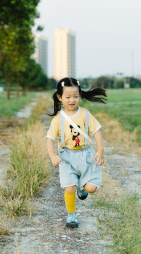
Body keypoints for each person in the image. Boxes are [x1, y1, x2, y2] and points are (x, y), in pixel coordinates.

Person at [46, 77, 107, 228]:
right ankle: (71, 215)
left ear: (80, 95)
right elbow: (50, 139)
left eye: (76, 96)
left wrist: (100, 151)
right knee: (69, 187)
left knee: (90, 189)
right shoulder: (58, 119)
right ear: (60, 97)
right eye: (67, 97)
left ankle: (83, 187)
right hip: (67, 156)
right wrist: (53, 155)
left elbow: (97, 132)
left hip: (85, 155)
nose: (72, 100)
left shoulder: (85, 114)